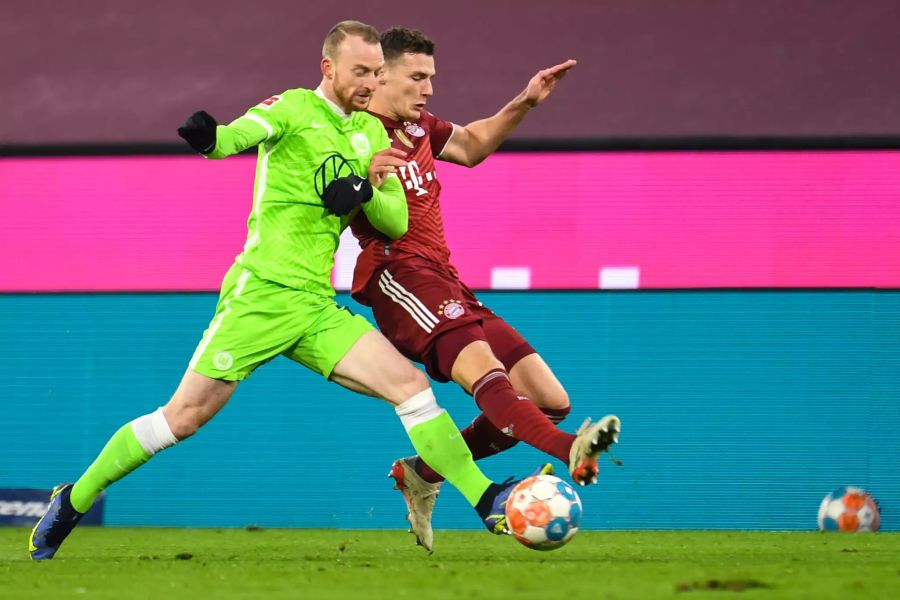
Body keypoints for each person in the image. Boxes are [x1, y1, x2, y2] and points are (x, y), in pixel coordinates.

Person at [28, 20, 530, 561]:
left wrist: (369, 187)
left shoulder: (368, 134)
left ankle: (487, 502)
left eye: (376, 73)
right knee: (182, 419)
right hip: (260, 296)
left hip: (315, 307)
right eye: (360, 71)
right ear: (328, 68)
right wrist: (210, 139)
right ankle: (73, 500)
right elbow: (236, 136)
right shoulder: (292, 108)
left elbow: (393, 221)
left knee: (410, 386)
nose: (369, 82)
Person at [347, 27, 621, 551]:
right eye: (417, 77)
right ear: (381, 76)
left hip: (445, 276)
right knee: (488, 378)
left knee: (548, 398)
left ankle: (424, 472)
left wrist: (525, 101)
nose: (428, 89)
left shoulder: (419, 126)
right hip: (399, 277)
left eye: (432, 78)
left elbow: (471, 145)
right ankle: (570, 452)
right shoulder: (355, 134)